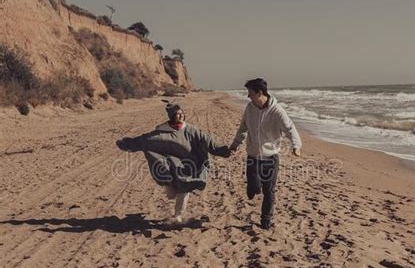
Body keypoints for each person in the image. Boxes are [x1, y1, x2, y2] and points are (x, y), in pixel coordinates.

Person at [116, 104, 230, 223]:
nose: (180, 115)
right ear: (171, 116)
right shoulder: (162, 133)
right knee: (171, 195)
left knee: (184, 188)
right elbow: (144, 140)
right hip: (170, 167)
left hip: (188, 167)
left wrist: (224, 150)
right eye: (177, 114)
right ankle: (168, 184)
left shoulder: (191, 130)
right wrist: (126, 144)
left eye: (182, 113)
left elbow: (207, 140)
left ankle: (177, 216)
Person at [229, 78, 302, 229]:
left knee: (269, 191)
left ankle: (265, 221)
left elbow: (290, 128)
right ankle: (253, 186)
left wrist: (296, 146)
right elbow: (243, 127)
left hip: (271, 158)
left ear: (259, 93)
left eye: (250, 93)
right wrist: (236, 143)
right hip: (253, 157)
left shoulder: (277, 111)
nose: (248, 96)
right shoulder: (250, 108)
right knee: (254, 188)